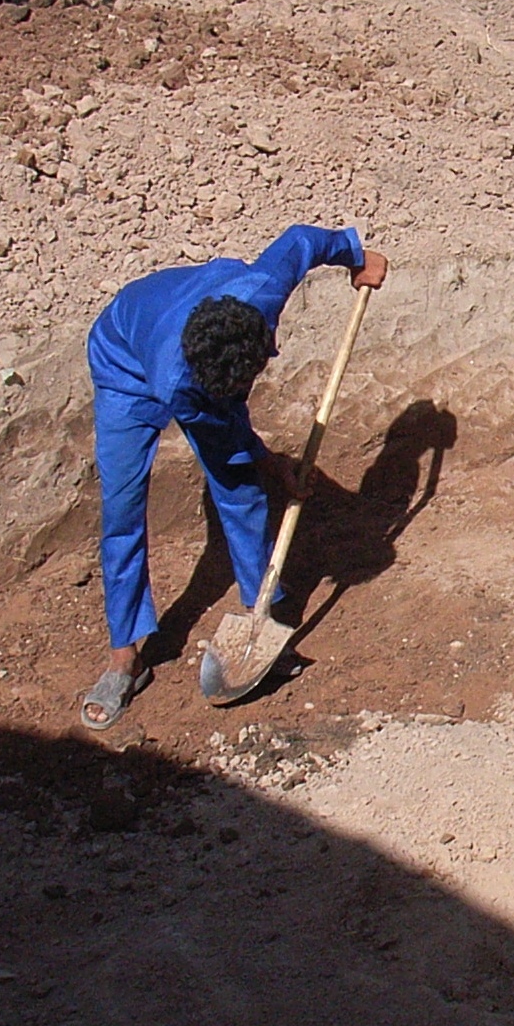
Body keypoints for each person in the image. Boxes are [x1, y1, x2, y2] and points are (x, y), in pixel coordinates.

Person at [80, 226, 387, 729]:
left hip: (179, 335)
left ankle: (262, 611)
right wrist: (270, 462)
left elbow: (302, 241)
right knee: (123, 508)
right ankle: (124, 658)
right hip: (122, 360)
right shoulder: (178, 383)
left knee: (241, 493)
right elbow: (228, 428)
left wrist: (356, 255)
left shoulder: (261, 289)